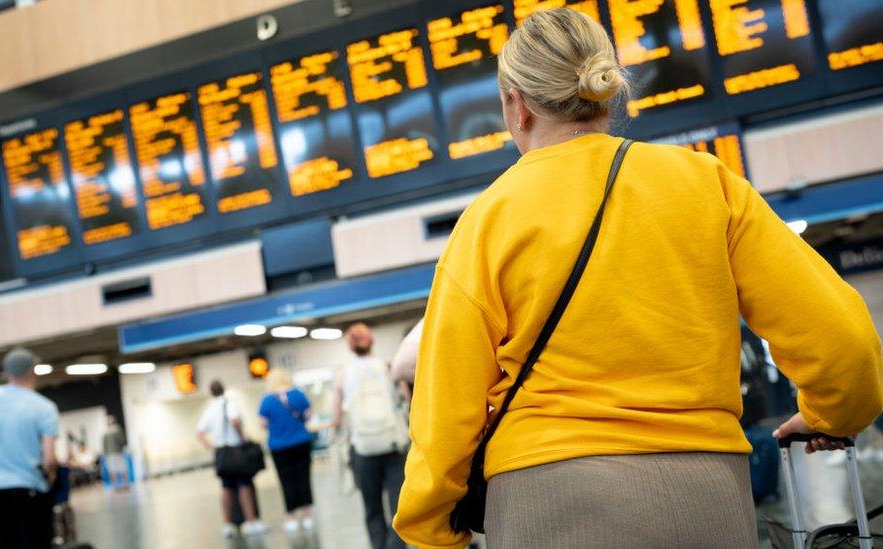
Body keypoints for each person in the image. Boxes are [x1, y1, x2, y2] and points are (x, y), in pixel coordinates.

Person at [393, 8, 883, 549]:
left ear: (518, 104)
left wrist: (431, 529)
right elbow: (843, 339)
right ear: (604, 89)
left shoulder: (488, 220)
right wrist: (833, 414)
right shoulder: (705, 184)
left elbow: (446, 408)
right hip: (708, 494)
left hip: (548, 497)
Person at [333, 323, 408, 549]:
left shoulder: (342, 374)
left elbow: (336, 418)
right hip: (392, 445)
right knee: (398, 507)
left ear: (350, 346)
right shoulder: (385, 367)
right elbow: (405, 399)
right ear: (371, 342)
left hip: (363, 449)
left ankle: (379, 545)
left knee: (372, 507)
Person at [0, 347, 59, 549]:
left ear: (7, 373)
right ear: (33, 370)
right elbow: (50, 459)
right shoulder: (44, 407)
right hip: (29, 488)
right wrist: (50, 475)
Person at [197, 379, 267, 538]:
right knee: (244, 484)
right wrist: (242, 439)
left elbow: (200, 433)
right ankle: (251, 521)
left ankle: (228, 524)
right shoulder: (229, 404)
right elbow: (234, 421)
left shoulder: (209, 409)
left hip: (221, 452)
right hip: (236, 450)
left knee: (226, 487)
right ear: (224, 389)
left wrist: (213, 448)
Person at [259, 368, 315, 533]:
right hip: (301, 442)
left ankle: (291, 517)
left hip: (279, 446)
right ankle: (307, 515)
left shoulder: (267, 400)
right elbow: (309, 414)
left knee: (286, 480)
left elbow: (262, 424)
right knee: (303, 477)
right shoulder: (298, 394)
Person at [101, 415, 129, 491]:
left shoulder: (105, 432)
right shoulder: (117, 429)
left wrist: (105, 454)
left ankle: (116, 487)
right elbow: (122, 441)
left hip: (110, 455)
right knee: (122, 469)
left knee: (113, 470)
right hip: (118, 453)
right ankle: (125, 485)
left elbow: (104, 446)